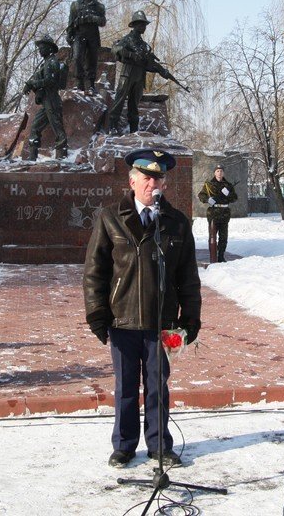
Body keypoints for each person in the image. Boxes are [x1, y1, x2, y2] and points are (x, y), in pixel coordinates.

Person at [83, 148, 201, 468]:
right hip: (122, 318)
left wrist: (189, 319)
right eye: (147, 178)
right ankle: (123, 445)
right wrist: (97, 313)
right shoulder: (110, 218)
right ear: (132, 181)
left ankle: (159, 444)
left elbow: (188, 277)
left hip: (161, 320)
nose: (153, 184)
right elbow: (95, 271)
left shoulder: (176, 223)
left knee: (157, 386)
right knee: (125, 387)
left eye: (158, 178)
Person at [23, 34, 67, 160]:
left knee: (57, 127)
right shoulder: (46, 63)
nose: (40, 50)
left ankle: (61, 155)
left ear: (49, 48)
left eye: (42, 47)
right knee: (35, 127)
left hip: (52, 99)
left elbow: (50, 81)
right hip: (46, 101)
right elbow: (40, 78)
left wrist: (33, 84)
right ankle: (32, 156)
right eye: (39, 47)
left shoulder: (52, 62)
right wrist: (30, 84)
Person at [66, 0, 106, 94]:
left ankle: (91, 84)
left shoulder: (99, 6)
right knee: (77, 57)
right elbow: (71, 21)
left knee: (92, 60)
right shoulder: (75, 5)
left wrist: (92, 18)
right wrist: (69, 34)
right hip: (79, 34)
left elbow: (103, 22)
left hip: (93, 35)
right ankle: (79, 83)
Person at [198, 164, 238, 262]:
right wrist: (208, 199)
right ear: (214, 173)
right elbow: (201, 195)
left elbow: (234, 198)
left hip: (224, 213)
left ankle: (221, 256)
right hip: (213, 213)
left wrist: (228, 194)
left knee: (223, 237)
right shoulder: (209, 184)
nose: (219, 173)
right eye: (217, 171)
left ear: (223, 173)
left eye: (221, 171)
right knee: (212, 236)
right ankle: (213, 256)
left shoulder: (228, 185)